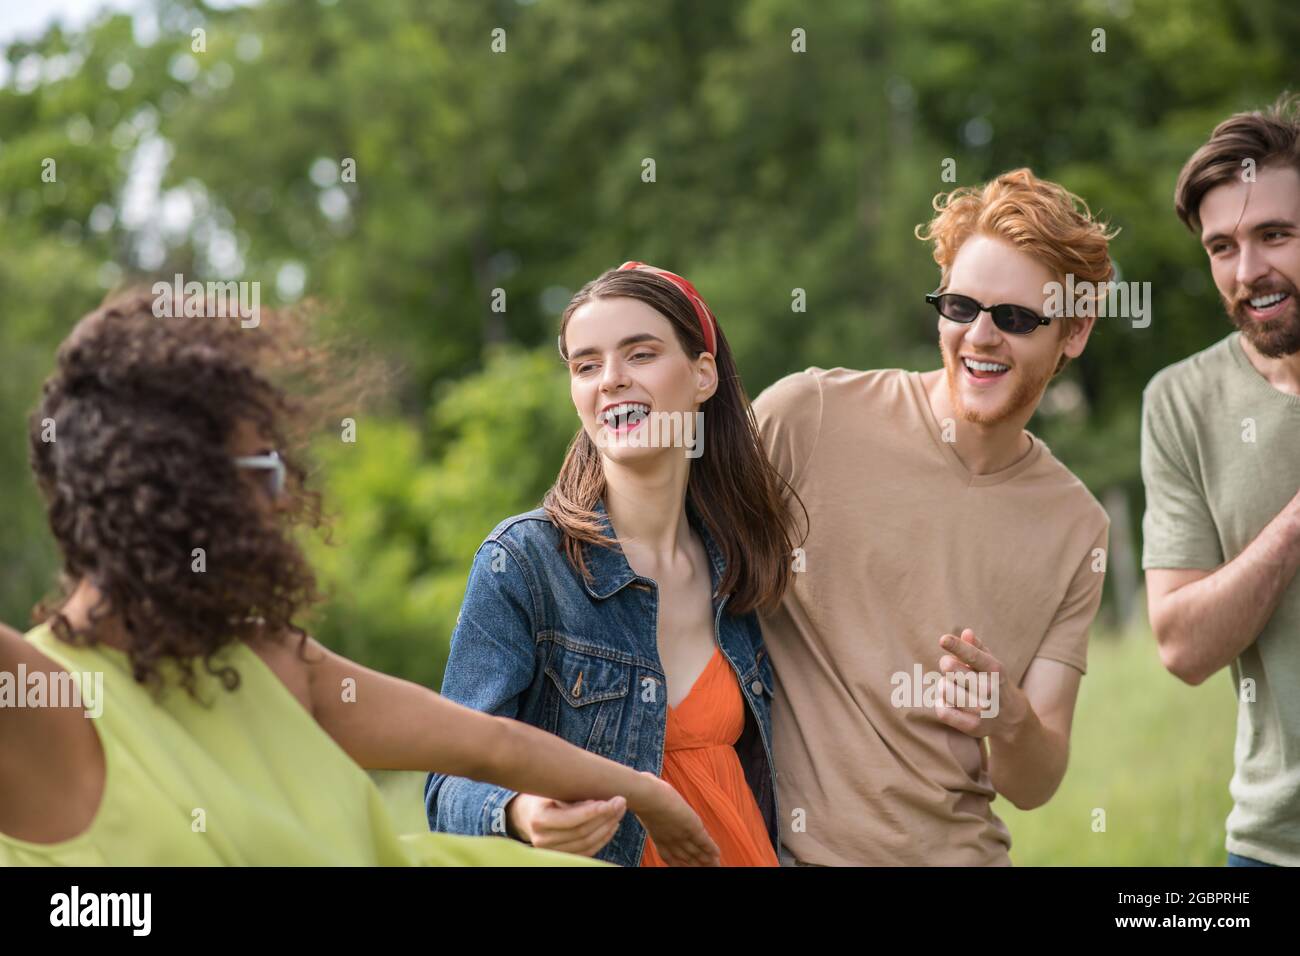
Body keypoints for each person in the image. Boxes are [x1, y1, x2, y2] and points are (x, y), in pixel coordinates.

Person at [0, 289, 719, 867]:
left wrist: (649, 797)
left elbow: (491, 746)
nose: (285, 498)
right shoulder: (46, 705)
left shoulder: (266, 657)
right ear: (170, 485)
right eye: (262, 469)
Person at [754, 169, 1112, 865]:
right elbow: (665, 565)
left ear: (1073, 332)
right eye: (960, 306)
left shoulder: (1079, 527)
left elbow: (1035, 782)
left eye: (1015, 317)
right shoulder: (806, 418)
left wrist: (1009, 721)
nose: (980, 336)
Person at [427, 262, 800, 866]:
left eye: (641, 354)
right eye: (586, 365)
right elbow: (447, 787)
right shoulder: (524, 565)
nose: (611, 381)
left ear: (702, 375)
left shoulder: (738, 567)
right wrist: (520, 812)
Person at [1143, 94, 1300, 868]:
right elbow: (1181, 645)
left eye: (1276, 234)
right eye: (1222, 247)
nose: (1249, 271)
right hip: (1272, 847)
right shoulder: (1182, 402)